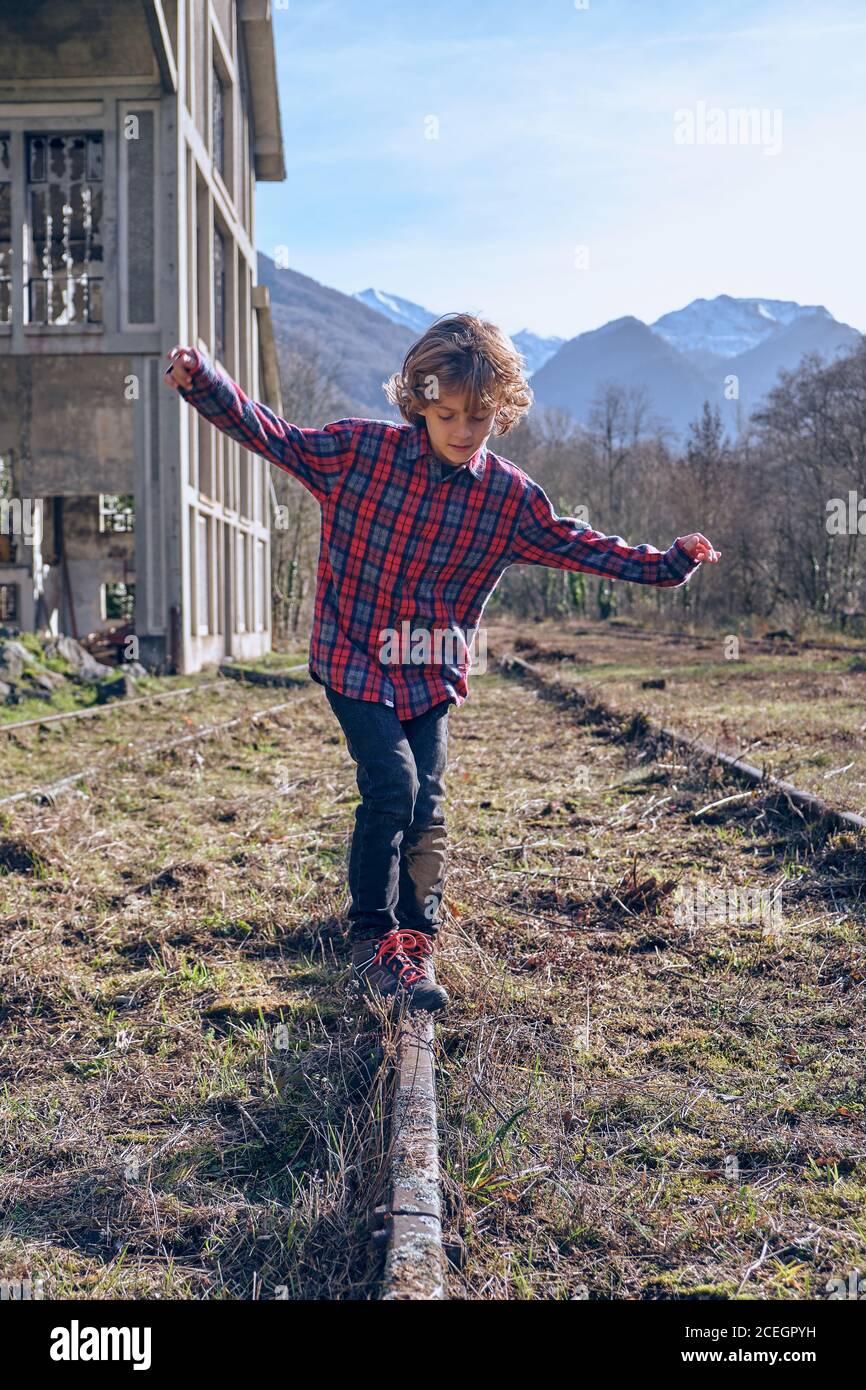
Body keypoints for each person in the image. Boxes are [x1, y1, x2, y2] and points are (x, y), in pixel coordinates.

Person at [165, 313, 721, 1013]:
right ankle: (371, 934)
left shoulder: (508, 499)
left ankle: (416, 938)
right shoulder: (356, 454)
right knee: (391, 785)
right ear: (419, 403)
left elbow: (582, 545)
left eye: (480, 418)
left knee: (429, 803)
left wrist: (669, 565)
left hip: (429, 669)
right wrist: (204, 382)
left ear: (502, 413)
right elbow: (273, 436)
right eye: (447, 413)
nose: (462, 430)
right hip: (355, 657)